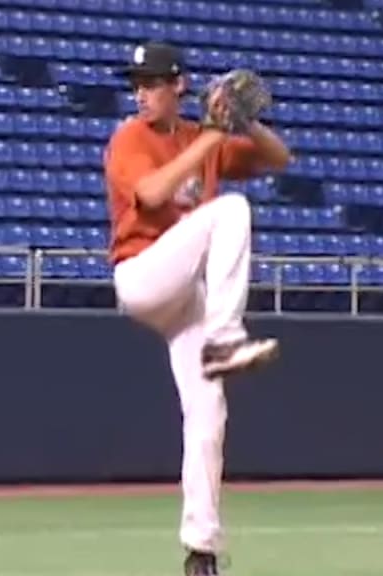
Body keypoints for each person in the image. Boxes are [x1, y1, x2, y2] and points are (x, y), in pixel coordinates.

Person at [103, 42, 293, 576]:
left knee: (208, 414)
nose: (142, 92)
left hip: (186, 297)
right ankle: (227, 335)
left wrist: (244, 121)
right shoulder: (128, 139)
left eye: (152, 82)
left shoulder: (196, 136)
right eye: (137, 83)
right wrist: (214, 132)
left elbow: (280, 159)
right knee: (229, 208)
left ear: (178, 85)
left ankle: (201, 550)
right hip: (143, 275)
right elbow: (157, 192)